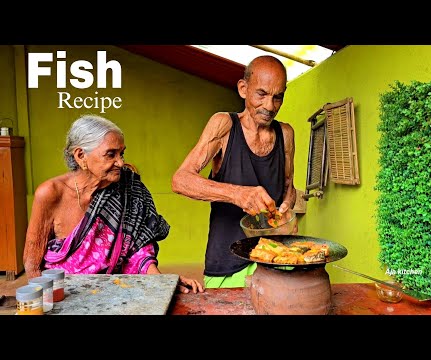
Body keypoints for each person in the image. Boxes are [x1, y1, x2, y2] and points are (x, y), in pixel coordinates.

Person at [23, 114, 204, 294]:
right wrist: (46, 301)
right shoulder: (51, 193)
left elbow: (138, 250)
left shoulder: (128, 189)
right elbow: (32, 264)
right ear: (80, 155)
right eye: (111, 154)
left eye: (121, 153)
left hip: (114, 293)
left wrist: (164, 283)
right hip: (64, 294)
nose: (121, 162)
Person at [172, 55, 296, 288]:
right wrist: (238, 194)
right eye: (261, 94)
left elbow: (289, 187)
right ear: (243, 88)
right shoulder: (224, 125)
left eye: (277, 97)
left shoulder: (286, 134)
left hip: (273, 258)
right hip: (228, 264)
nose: (270, 106)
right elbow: (180, 180)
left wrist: (287, 209)